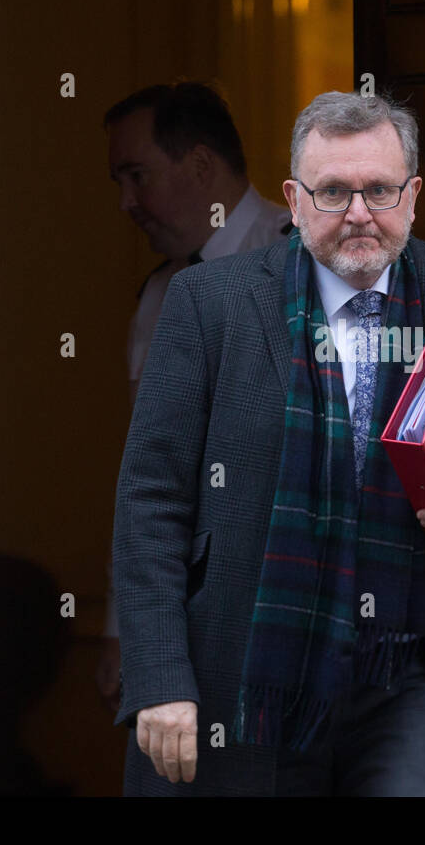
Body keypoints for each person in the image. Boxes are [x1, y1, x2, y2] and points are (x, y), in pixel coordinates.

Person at [112, 90, 425, 795]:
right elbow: (152, 501)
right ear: (294, 202)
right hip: (249, 671)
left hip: (413, 668)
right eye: (333, 192)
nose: (358, 212)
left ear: (413, 196)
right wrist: (161, 677)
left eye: (379, 189)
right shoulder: (210, 302)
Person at [96, 83, 291, 713]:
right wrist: (123, 628)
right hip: (177, 632)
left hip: (282, 615)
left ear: (201, 165)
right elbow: (146, 482)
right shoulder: (158, 296)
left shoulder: (303, 259)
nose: (126, 202)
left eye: (137, 175)